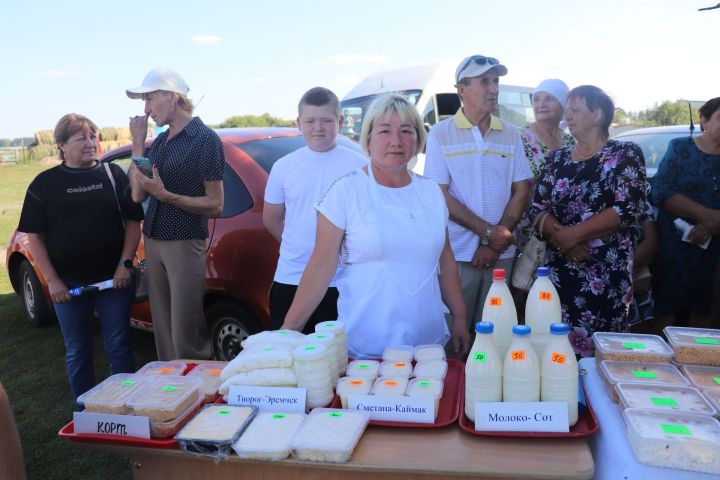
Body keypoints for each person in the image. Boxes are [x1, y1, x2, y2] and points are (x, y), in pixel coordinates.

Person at [281, 93, 470, 359]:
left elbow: (446, 261)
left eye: (406, 131)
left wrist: (460, 317)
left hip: (427, 346)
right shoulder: (345, 191)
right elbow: (320, 266)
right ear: (367, 138)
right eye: (384, 131)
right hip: (364, 348)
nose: (396, 141)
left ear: (418, 139)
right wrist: (289, 332)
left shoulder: (431, 193)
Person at [17, 114, 142, 402]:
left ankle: (126, 406)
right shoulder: (44, 184)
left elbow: (134, 222)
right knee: (78, 350)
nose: (90, 143)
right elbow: (34, 236)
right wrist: (52, 281)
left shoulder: (112, 175)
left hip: (114, 282)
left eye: (93, 136)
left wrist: (125, 265)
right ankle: (86, 413)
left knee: (120, 346)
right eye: (81, 138)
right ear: (61, 145)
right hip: (69, 287)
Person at [528, 85, 647, 356]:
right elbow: (536, 209)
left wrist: (573, 235)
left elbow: (627, 208)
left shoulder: (625, 153)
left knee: (604, 351)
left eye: (575, 110)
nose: (567, 116)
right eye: (567, 110)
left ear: (598, 115)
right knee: (556, 349)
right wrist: (564, 239)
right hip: (561, 269)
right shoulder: (556, 159)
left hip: (607, 274)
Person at [423, 54, 532, 340]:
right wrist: (488, 234)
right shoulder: (440, 133)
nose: (493, 88)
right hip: (457, 255)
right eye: (484, 81)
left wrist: (496, 242)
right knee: (455, 338)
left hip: (501, 255)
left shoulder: (510, 134)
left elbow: (522, 189)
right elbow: (439, 193)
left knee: (496, 338)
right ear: (462, 89)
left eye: (496, 81)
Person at [127, 68, 225, 360]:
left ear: (172, 96)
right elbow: (136, 195)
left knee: (186, 333)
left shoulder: (205, 139)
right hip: (154, 239)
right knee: (165, 333)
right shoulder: (158, 142)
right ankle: (172, 394)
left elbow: (216, 204)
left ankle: (198, 393)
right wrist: (136, 143)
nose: (145, 109)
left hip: (184, 242)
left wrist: (165, 195)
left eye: (149, 99)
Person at [263, 87, 367, 333]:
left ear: (340, 122)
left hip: (343, 281)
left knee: (340, 361)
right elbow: (272, 218)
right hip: (291, 278)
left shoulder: (361, 165)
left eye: (326, 121)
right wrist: (299, 245)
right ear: (299, 123)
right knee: (290, 356)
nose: (318, 128)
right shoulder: (283, 166)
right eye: (310, 121)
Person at [651, 96, 720, 329]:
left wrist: (711, 225)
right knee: (667, 306)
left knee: (705, 306)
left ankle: (696, 360)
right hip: (675, 244)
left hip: (715, 247)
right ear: (704, 120)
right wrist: (707, 216)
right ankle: (658, 361)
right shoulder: (680, 148)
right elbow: (661, 190)